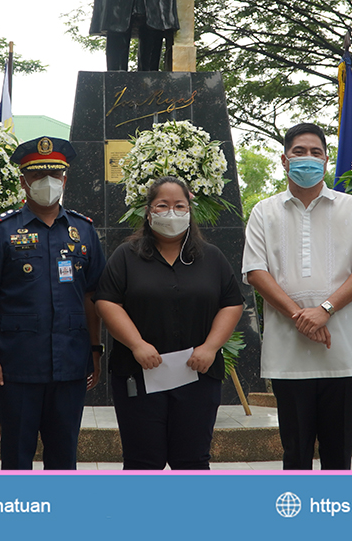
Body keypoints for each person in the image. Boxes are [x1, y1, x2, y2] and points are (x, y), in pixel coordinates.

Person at [243, 122, 352, 470]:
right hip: (288, 356)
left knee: (339, 455)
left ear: (326, 160)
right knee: (295, 454)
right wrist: (301, 316)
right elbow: (256, 272)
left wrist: (324, 309)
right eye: (299, 152)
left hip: (343, 351)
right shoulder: (265, 211)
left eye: (316, 152)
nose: (307, 159)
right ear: (283, 160)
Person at [0, 137, 105, 470]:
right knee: (16, 456)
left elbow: (93, 295)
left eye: (55, 174)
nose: (47, 182)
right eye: (38, 175)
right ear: (23, 181)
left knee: (64, 457)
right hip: (16, 365)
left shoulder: (83, 231)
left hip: (70, 363)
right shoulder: (2, 230)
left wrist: (95, 351)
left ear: (65, 179)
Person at [93, 176, 244, 469]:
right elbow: (106, 302)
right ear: (149, 212)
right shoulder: (126, 256)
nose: (171, 213)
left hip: (198, 375)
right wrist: (136, 344)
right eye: (162, 205)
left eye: (179, 205)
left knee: (193, 460)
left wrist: (211, 347)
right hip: (138, 376)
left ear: (190, 210)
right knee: (141, 461)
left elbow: (232, 303)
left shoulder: (211, 257)